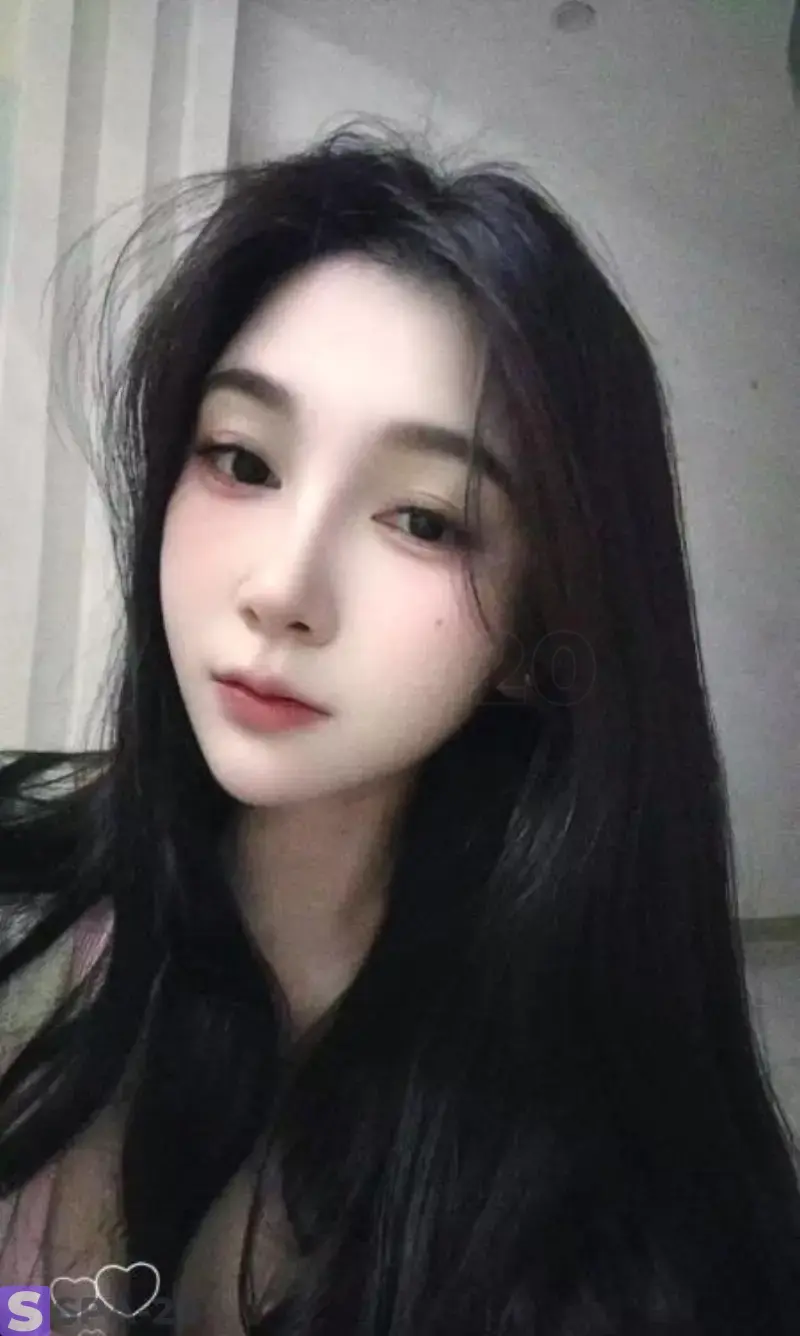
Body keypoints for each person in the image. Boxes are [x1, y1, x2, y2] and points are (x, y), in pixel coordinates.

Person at [0, 122, 798, 1336]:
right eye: (241, 459)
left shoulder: (608, 1187)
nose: (282, 587)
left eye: (423, 519)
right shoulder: (30, 918)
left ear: (537, 627)